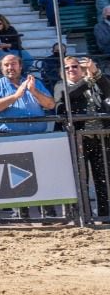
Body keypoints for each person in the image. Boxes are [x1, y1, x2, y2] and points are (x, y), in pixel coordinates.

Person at [55, 55, 110, 218]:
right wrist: (88, 80)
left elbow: (107, 90)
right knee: (80, 178)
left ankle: (105, 214)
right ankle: (83, 215)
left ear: (81, 69)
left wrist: (96, 73)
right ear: (62, 72)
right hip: (77, 139)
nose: (71, 69)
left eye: (75, 66)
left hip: (100, 138)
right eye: (67, 68)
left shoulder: (94, 85)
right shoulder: (61, 86)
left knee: (103, 178)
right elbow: (66, 97)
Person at [0, 53, 54, 135]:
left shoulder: (35, 83)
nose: (10, 67)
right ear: (1, 68)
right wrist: (15, 96)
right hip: (7, 137)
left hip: (38, 135)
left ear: (20, 67)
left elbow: (50, 105)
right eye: (6, 65)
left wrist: (34, 91)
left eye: (13, 64)